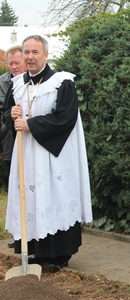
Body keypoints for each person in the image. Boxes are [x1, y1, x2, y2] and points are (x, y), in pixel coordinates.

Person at [2, 35, 93, 272]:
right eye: (26, 52)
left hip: (54, 154)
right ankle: (35, 251)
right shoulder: (17, 84)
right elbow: (7, 116)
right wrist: (12, 115)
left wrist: (31, 125)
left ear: (46, 55)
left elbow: (66, 117)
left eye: (35, 52)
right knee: (31, 198)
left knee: (55, 197)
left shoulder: (62, 83)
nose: (30, 57)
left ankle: (59, 254)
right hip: (27, 155)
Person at [0, 45, 26, 249]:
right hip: (10, 142)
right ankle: (18, 235)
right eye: (11, 64)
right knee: (15, 189)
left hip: (32, 142)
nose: (14, 67)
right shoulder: (4, 83)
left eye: (18, 63)